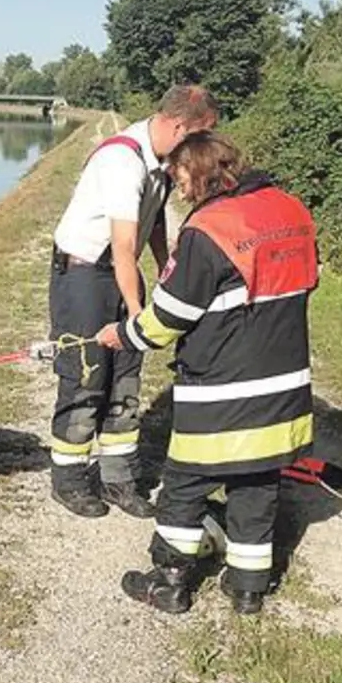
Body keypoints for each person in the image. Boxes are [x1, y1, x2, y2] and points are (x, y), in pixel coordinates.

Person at [96, 133, 317, 615]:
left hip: (221, 388)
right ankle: (247, 588)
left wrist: (125, 334)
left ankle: (169, 581)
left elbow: (170, 314)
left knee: (185, 482)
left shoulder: (210, 230)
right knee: (257, 481)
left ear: (198, 171)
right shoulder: (292, 211)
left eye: (179, 178)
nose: (178, 189)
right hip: (284, 387)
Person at [48, 84, 219, 519]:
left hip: (116, 269)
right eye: (203, 135)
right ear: (180, 126)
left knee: (126, 375)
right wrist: (139, 315)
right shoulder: (123, 161)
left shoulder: (159, 162)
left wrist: (167, 272)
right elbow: (124, 248)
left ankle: (118, 479)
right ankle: (68, 479)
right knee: (87, 373)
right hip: (85, 272)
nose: (205, 146)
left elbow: (154, 218)